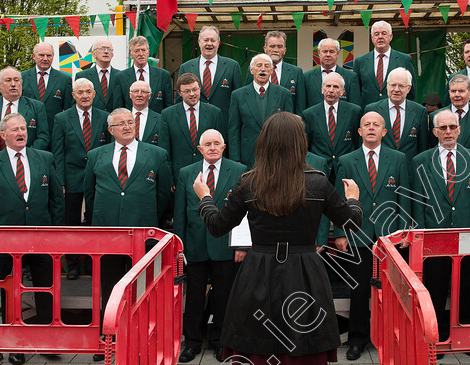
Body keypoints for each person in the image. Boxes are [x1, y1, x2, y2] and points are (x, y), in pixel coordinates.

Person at [192, 112, 363, 364]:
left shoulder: (249, 182)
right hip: (305, 272)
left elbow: (218, 226)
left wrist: (205, 197)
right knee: (304, 344)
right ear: (299, 142)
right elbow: (351, 222)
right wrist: (354, 199)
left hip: (258, 270)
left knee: (257, 344)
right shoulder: (318, 182)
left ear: (265, 141)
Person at [83, 108, 172, 361]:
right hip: (108, 234)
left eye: (130, 122)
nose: (126, 126)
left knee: (142, 289)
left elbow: (163, 194)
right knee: (109, 288)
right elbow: (90, 194)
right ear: (110, 130)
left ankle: (142, 338)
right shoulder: (95, 155)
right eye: (120, 124)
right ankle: (107, 341)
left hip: (142, 235)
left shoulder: (156, 154)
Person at [0, 113, 62, 365]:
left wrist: (57, 233)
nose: (21, 133)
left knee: (46, 289)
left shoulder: (45, 158)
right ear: (3, 135)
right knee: (11, 293)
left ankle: (46, 340)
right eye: (14, 129)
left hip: (43, 237)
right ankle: (15, 345)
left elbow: (56, 199)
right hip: (6, 240)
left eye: (23, 128)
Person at [411, 110, 470, 360]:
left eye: (452, 127)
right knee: (435, 288)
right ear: (434, 132)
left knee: (466, 288)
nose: (448, 132)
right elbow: (419, 203)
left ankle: (467, 337)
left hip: (466, 238)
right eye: (442, 128)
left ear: (459, 129)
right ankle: (439, 338)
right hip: (434, 238)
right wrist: (421, 239)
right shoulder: (421, 160)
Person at [334, 111, 410, 361]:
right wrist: (339, 233)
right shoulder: (346, 160)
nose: (371, 128)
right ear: (359, 131)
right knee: (358, 291)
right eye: (366, 124)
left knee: (391, 292)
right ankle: (357, 340)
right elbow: (338, 202)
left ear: (384, 131)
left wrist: (404, 232)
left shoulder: (399, 159)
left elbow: (404, 199)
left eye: (376, 125)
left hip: (390, 238)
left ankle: (390, 337)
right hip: (358, 236)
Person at [175, 129, 247, 363]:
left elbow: (243, 213)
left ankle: (220, 342)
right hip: (195, 246)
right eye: (208, 144)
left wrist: (241, 245)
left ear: (224, 147)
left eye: (217, 143)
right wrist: (179, 246)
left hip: (226, 246)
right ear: (200, 149)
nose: (213, 147)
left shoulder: (239, 171)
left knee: (223, 297)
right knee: (194, 297)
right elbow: (180, 213)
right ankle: (192, 343)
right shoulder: (187, 173)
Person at [52, 78, 112, 280]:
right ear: (73, 95)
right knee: (71, 223)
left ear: (94, 94)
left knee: (93, 223)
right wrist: (60, 181)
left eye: (88, 92)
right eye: (80, 92)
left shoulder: (105, 117)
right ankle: (72, 264)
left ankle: (90, 263)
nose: (85, 96)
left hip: (98, 179)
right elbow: (58, 153)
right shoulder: (61, 118)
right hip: (71, 180)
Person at [228, 54, 294, 167]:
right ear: (251, 70)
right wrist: (235, 159)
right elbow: (234, 129)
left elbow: (289, 128)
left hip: (277, 156)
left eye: (267, 66)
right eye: (259, 65)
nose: (263, 69)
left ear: (272, 70)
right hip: (248, 157)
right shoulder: (238, 95)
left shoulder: (284, 94)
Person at [0, 67, 49, 159]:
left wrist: (26, 156)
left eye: (16, 80)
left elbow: (43, 137)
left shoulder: (36, 107)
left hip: (26, 161)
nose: (13, 84)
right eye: (8, 80)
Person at [177, 26, 243, 125]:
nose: (209, 43)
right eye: (206, 40)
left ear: (218, 43)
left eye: (213, 40)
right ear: (199, 42)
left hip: (223, 125)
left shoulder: (232, 66)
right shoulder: (185, 67)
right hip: (194, 125)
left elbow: (238, 100)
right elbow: (180, 100)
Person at [302, 72, 361, 182]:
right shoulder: (309, 114)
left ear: (342, 91)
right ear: (322, 89)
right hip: (319, 172)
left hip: (345, 170)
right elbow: (307, 146)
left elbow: (357, 143)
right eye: (328, 86)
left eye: (335, 87)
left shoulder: (354, 111)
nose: (331, 90)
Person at [162, 73, 224, 174]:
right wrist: (169, 178)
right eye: (187, 91)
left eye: (195, 89)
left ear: (200, 88)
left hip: (209, 173)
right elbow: (165, 150)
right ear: (179, 93)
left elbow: (221, 146)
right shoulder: (167, 115)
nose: (192, 94)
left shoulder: (214, 113)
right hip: (178, 174)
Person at [363, 67, 428, 163]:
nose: (396, 89)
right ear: (387, 86)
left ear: (408, 88)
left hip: (409, 172)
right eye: (393, 85)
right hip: (380, 170)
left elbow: (423, 148)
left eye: (401, 86)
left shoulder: (420, 111)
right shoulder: (372, 109)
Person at [430, 74, 470, 154]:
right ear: (449, 93)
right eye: (453, 91)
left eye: (461, 91)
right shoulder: (435, 116)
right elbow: (433, 148)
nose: (457, 95)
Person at [354, 21, 416, 106]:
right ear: (372, 38)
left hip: (395, 112)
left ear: (390, 37)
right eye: (376, 34)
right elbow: (356, 93)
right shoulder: (360, 61)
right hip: (369, 114)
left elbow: (411, 90)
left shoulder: (404, 59)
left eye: (384, 33)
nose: (380, 37)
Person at [245, 31, 306, 114]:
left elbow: (300, 104)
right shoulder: (253, 70)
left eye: (280, 46)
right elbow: (248, 97)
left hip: (286, 123)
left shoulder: (296, 72)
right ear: (265, 49)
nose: (276, 50)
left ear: (285, 50)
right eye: (272, 46)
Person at [21, 42, 74, 136]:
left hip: (54, 134)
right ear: (34, 56)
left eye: (49, 55)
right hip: (27, 134)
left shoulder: (64, 80)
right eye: (41, 55)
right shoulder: (22, 78)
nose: (45, 59)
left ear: (53, 56)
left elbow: (68, 111)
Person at [112, 36, 173, 113]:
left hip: (157, 123)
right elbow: (118, 108)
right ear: (130, 55)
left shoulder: (163, 75)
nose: (141, 54)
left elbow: (168, 107)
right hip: (131, 123)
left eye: (143, 50)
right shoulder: (120, 77)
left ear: (148, 52)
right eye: (136, 51)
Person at [303, 38, 361, 108]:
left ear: (337, 53)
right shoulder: (306, 77)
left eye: (331, 51)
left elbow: (355, 108)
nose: (328, 55)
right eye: (325, 51)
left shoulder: (351, 77)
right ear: (318, 53)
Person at [75, 38, 118, 112]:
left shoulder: (120, 76)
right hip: (92, 120)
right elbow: (76, 103)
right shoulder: (82, 76)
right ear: (93, 54)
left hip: (116, 120)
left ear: (112, 54)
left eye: (109, 49)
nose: (106, 52)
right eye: (102, 48)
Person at [128, 80, 163, 147]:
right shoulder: (121, 118)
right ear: (130, 95)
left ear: (149, 96)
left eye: (143, 92)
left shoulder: (160, 119)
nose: (139, 95)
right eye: (136, 91)